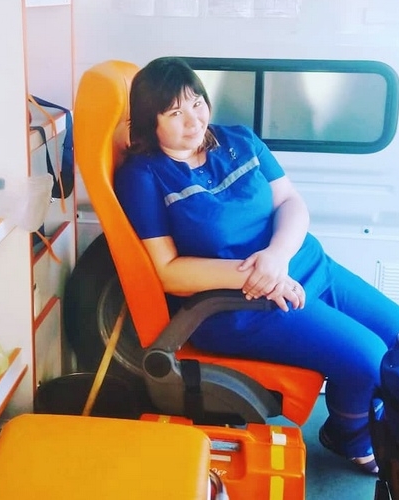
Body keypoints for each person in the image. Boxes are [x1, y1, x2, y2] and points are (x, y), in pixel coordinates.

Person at [114, 56, 399, 475]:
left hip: (303, 264)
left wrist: (277, 257)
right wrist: (260, 275)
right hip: (238, 303)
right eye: (174, 113)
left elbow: (290, 202)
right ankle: (348, 435)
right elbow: (168, 270)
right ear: (148, 121)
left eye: (197, 103)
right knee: (368, 359)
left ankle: (375, 421)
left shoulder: (240, 140)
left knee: (395, 334)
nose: (193, 121)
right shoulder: (144, 176)